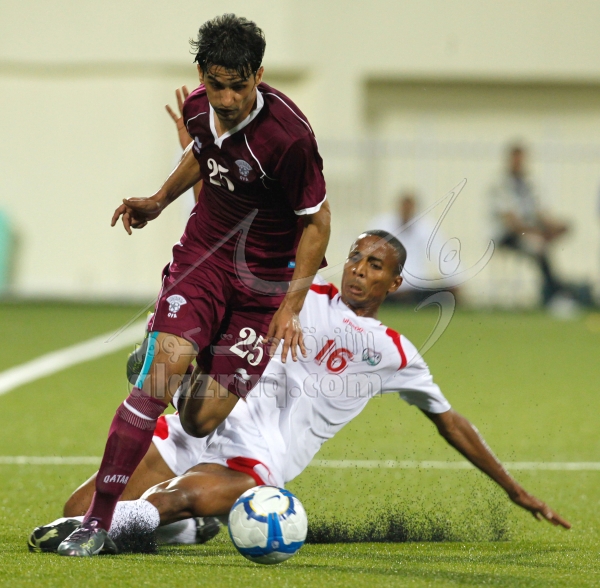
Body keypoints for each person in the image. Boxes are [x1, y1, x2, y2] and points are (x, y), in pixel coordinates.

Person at [33, 231, 569, 555]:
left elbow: (449, 420)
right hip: (207, 419)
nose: (358, 270)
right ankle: (186, 532)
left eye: (374, 265)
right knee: (76, 506)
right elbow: (233, 241)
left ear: (394, 284)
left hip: (256, 457)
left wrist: (513, 489)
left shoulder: (394, 352)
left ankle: (131, 527)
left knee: (169, 500)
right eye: (355, 257)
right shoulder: (301, 295)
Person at [58, 14, 330, 556]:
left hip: (262, 288)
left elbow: (318, 224)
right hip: (203, 261)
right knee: (154, 384)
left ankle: (186, 357)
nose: (227, 98)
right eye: (216, 84)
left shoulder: (289, 138)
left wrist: (291, 306)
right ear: (202, 73)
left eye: (238, 86)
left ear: (258, 76)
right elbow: (202, 157)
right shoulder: (199, 108)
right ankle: (97, 522)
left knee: (199, 420)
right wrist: (159, 200)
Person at [489, 144, 569, 306]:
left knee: (540, 246)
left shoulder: (529, 184)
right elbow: (511, 223)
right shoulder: (500, 185)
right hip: (505, 235)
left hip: (527, 233)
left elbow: (540, 212)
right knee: (537, 246)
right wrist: (538, 233)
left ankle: (554, 292)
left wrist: (555, 227)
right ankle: (554, 294)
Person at [368, 192, 459, 303]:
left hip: (416, 286)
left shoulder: (426, 226)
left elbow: (442, 252)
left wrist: (454, 279)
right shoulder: (382, 224)